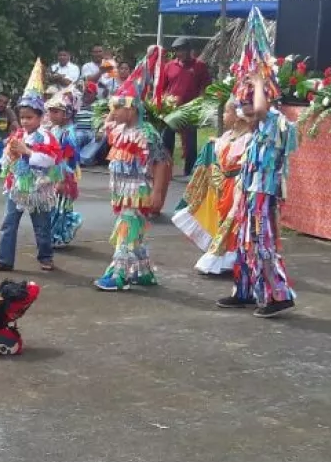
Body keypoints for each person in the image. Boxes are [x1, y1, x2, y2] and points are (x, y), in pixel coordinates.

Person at [218, 8, 298, 318]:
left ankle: (279, 294)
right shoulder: (255, 126)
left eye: (250, 99)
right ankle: (246, 290)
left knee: (262, 241)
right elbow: (244, 111)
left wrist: (259, 81)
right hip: (249, 192)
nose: (245, 106)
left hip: (263, 193)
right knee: (244, 240)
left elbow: (262, 110)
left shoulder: (275, 119)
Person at [94, 49, 166, 292]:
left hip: (139, 191)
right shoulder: (119, 130)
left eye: (118, 107)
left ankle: (118, 274)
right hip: (123, 191)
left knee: (126, 229)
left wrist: (157, 194)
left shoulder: (147, 134)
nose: (113, 112)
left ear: (133, 109)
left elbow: (162, 163)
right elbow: (107, 125)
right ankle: (143, 272)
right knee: (134, 230)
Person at [0, 60, 62, 273]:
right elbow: (8, 160)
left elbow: (50, 161)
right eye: (22, 118)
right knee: (8, 223)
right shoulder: (18, 134)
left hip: (38, 189)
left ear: (41, 117)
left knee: (41, 226)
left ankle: (46, 256)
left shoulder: (47, 137)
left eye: (30, 117)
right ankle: (4, 259)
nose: (25, 122)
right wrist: (9, 153)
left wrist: (27, 152)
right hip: (18, 187)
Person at [172, 96, 253, 275]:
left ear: (238, 116)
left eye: (226, 111)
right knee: (225, 221)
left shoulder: (248, 139)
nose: (223, 115)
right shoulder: (228, 136)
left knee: (233, 222)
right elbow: (222, 153)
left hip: (237, 186)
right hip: (225, 186)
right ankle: (225, 260)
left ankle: (225, 259)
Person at [162, 38, 210, 177]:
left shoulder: (199, 66)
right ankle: (166, 169)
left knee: (190, 143)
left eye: (181, 49)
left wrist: (200, 103)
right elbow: (164, 87)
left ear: (189, 50)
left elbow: (205, 86)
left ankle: (189, 171)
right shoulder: (169, 66)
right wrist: (166, 102)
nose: (179, 53)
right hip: (171, 109)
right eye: (176, 50)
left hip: (190, 109)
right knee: (167, 140)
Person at [46, 90, 82, 248]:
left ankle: (60, 235)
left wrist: (61, 180)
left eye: (56, 112)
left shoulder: (68, 134)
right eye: (50, 111)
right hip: (53, 172)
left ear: (67, 114)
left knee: (61, 207)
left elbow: (66, 158)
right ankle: (54, 234)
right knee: (53, 206)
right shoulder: (55, 130)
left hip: (64, 175)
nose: (51, 115)